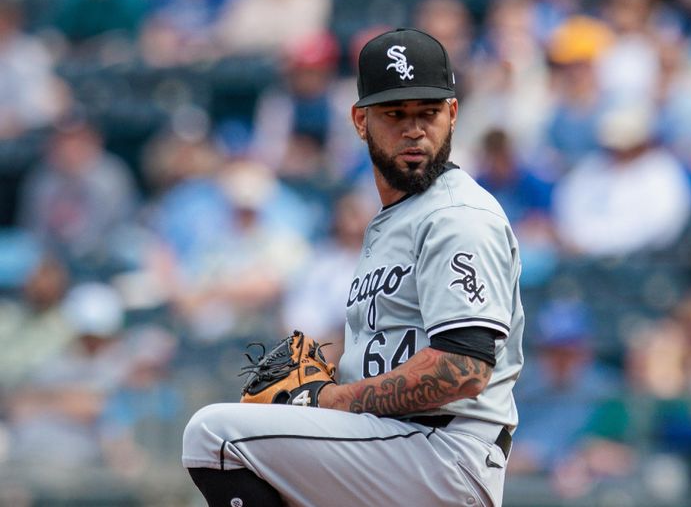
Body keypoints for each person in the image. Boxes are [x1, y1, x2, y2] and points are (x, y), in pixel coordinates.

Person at [182, 28, 525, 506]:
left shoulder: (456, 215)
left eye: (428, 112)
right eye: (394, 114)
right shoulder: (394, 220)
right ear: (360, 121)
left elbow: (463, 367)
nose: (413, 129)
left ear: (452, 114)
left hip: (445, 454)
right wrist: (330, 389)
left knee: (215, 437)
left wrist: (330, 401)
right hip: (394, 447)